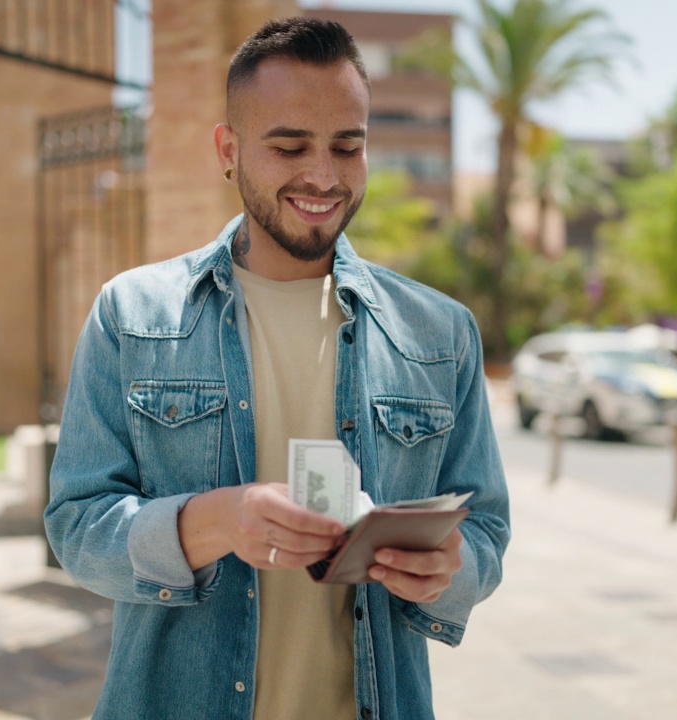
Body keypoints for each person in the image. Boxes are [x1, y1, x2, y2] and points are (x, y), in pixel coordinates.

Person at [45, 17, 510, 720]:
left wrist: (451, 570)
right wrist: (215, 522)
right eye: (290, 145)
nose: (322, 176)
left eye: (346, 147)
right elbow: (78, 529)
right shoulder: (131, 314)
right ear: (228, 151)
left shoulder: (441, 332)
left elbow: (487, 531)